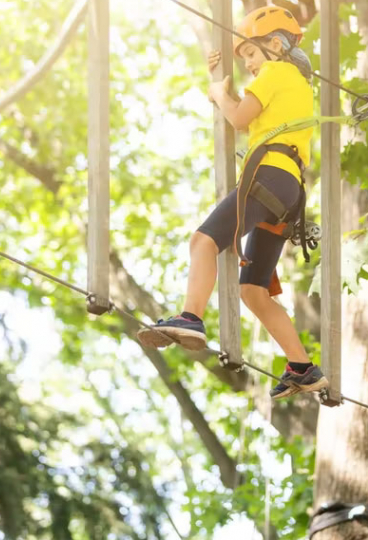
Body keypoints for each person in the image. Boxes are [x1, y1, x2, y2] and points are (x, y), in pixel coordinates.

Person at [138, 6, 328, 400]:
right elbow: (255, 105)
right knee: (254, 291)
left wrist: (218, 95)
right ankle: (302, 367)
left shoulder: (275, 72)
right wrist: (221, 75)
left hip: (267, 176)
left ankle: (190, 317)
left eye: (252, 56)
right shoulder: (295, 83)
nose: (250, 66)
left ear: (275, 45)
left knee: (202, 241)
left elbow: (240, 118)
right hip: (288, 191)